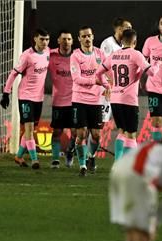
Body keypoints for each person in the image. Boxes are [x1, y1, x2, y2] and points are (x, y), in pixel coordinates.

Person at [96, 29, 158, 161]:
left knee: (122, 132)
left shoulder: (114, 55)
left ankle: (118, 164)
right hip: (129, 100)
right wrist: (157, 65)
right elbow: (152, 72)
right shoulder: (136, 54)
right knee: (131, 134)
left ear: (122, 41)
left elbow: (98, 73)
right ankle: (129, 167)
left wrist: (107, 85)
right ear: (135, 42)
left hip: (115, 99)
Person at [1, 28, 50, 169]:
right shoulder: (27, 56)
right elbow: (13, 74)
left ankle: (19, 156)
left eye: (47, 39)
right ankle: (35, 160)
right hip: (26, 96)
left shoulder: (47, 53)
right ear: (35, 39)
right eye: (42, 39)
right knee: (28, 128)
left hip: (39, 98)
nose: (44, 42)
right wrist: (6, 93)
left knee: (32, 129)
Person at [70, 26, 108, 176]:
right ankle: (82, 166)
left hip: (96, 100)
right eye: (83, 36)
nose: (87, 39)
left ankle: (91, 157)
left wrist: (108, 85)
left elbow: (106, 73)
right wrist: (96, 81)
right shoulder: (75, 56)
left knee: (97, 134)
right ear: (79, 39)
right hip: (79, 99)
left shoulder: (100, 54)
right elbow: (76, 78)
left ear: (93, 37)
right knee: (81, 133)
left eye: (89, 36)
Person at [100, 18, 133, 155]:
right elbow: (106, 67)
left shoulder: (128, 45)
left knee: (123, 127)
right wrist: (111, 86)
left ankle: (122, 159)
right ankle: (89, 154)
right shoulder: (108, 44)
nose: (130, 29)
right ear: (118, 29)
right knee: (100, 124)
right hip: (108, 90)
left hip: (123, 93)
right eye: (127, 27)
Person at [48, 30, 75, 168]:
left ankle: (70, 151)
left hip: (75, 100)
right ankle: (55, 159)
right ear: (58, 40)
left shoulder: (77, 56)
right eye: (63, 39)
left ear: (72, 41)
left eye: (68, 39)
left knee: (76, 133)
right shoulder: (51, 55)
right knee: (57, 131)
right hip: (58, 101)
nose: (66, 42)